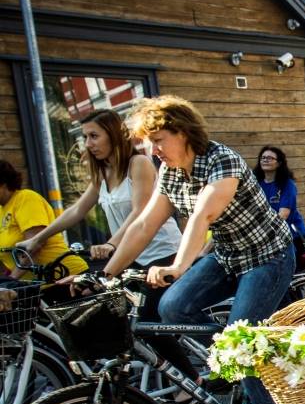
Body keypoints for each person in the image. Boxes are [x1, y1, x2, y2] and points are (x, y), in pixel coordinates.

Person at [103, 95, 296, 404]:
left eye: (158, 140)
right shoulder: (170, 172)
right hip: (227, 255)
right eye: (149, 143)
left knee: (240, 338)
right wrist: (108, 274)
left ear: (184, 132)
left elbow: (205, 212)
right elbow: (144, 225)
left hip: (268, 256)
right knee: (172, 308)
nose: (154, 151)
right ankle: (228, 364)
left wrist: (178, 264)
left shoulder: (221, 160)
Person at [15, 110, 198, 385]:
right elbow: (77, 210)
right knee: (122, 321)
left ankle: (190, 378)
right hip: (130, 257)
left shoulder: (138, 164)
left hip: (162, 253)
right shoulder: (103, 172)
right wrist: (38, 239)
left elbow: (140, 212)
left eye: (93, 135)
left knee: (146, 322)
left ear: (113, 134)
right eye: (85, 137)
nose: (88, 143)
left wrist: (112, 244)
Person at [0, 162, 88, 281]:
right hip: (36, 287)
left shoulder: (25, 198)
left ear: (3, 183)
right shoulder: (1, 210)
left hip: (65, 277)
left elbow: (34, 246)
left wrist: (11, 280)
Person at [254, 145, 305, 250]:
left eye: (270, 158)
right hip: (270, 237)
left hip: (292, 236)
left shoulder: (287, 184)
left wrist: (262, 234)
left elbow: (283, 215)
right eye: (263, 158)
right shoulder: (256, 184)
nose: (265, 160)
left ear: (279, 163)